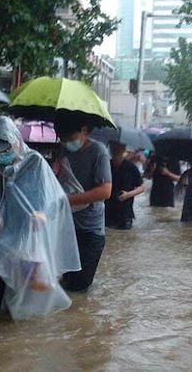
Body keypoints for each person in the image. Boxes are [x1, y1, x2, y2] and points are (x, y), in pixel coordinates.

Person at [0, 116, 80, 319]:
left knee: (24, 293)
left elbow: (52, 197)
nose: (0, 157)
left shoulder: (35, 162)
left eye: (5, 151)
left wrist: (42, 214)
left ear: (15, 142)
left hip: (26, 235)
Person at [55, 119, 112, 293]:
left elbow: (105, 191)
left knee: (79, 288)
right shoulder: (62, 150)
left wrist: (68, 200)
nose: (66, 142)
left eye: (70, 137)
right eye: (62, 138)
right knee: (65, 283)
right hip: (67, 227)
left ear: (84, 130)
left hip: (90, 231)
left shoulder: (98, 152)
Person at [105, 141, 145, 230]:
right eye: (113, 149)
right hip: (108, 211)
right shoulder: (106, 165)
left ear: (123, 150)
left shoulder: (131, 167)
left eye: (118, 149)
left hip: (125, 213)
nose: (115, 151)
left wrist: (128, 194)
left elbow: (141, 187)